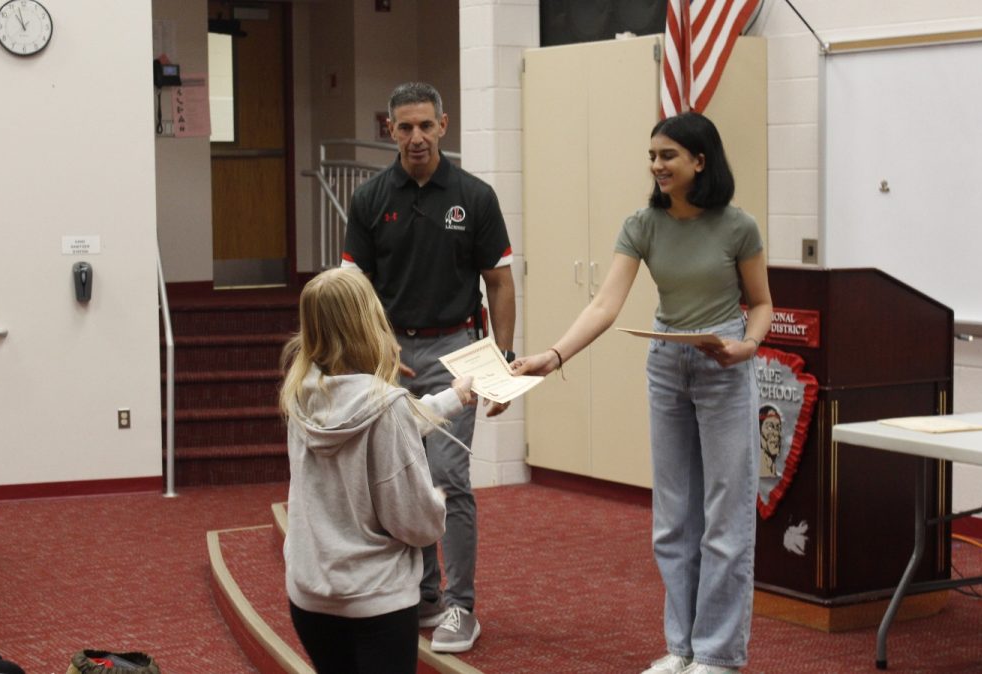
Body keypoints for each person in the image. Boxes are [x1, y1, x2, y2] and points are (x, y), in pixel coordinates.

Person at [513, 112, 772, 674]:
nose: (656, 166)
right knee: (674, 520)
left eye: (668, 156)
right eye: (652, 156)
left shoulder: (738, 226)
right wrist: (552, 356)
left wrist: (747, 346)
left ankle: (719, 655)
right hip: (666, 364)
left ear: (700, 161)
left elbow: (763, 302)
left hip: (723, 361)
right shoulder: (642, 224)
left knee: (725, 517)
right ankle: (681, 648)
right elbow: (605, 304)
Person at [340, 81, 515, 653]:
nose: (416, 137)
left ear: (444, 125)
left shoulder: (475, 196)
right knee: (395, 478)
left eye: (425, 126)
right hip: (388, 354)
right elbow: (354, 289)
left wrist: (502, 365)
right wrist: (372, 355)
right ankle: (422, 594)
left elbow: (499, 282)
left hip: (455, 352)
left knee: (448, 479)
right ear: (389, 130)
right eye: (404, 127)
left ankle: (461, 605)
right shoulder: (369, 199)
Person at [280, 268, 475, 674]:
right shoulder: (386, 407)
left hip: (311, 598)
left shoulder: (300, 395)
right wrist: (436, 502)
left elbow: (387, 419)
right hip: (375, 603)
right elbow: (417, 524)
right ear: (369, 322)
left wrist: (454, 398)